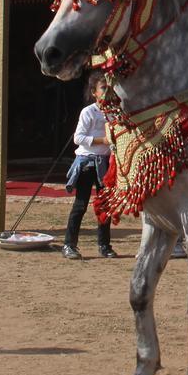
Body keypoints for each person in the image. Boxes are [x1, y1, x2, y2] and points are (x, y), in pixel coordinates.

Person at [62, 72, 115, 260]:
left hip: (105, 163)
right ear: (94, 92)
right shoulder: (88, 112)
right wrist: (103, 140)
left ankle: (104, 245)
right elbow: (78, 138)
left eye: (109, 88)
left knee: (105, 205)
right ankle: (69, 245)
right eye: (103, 88)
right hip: (87, 162)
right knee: (81, 204)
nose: (107, 92)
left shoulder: (114, 112)